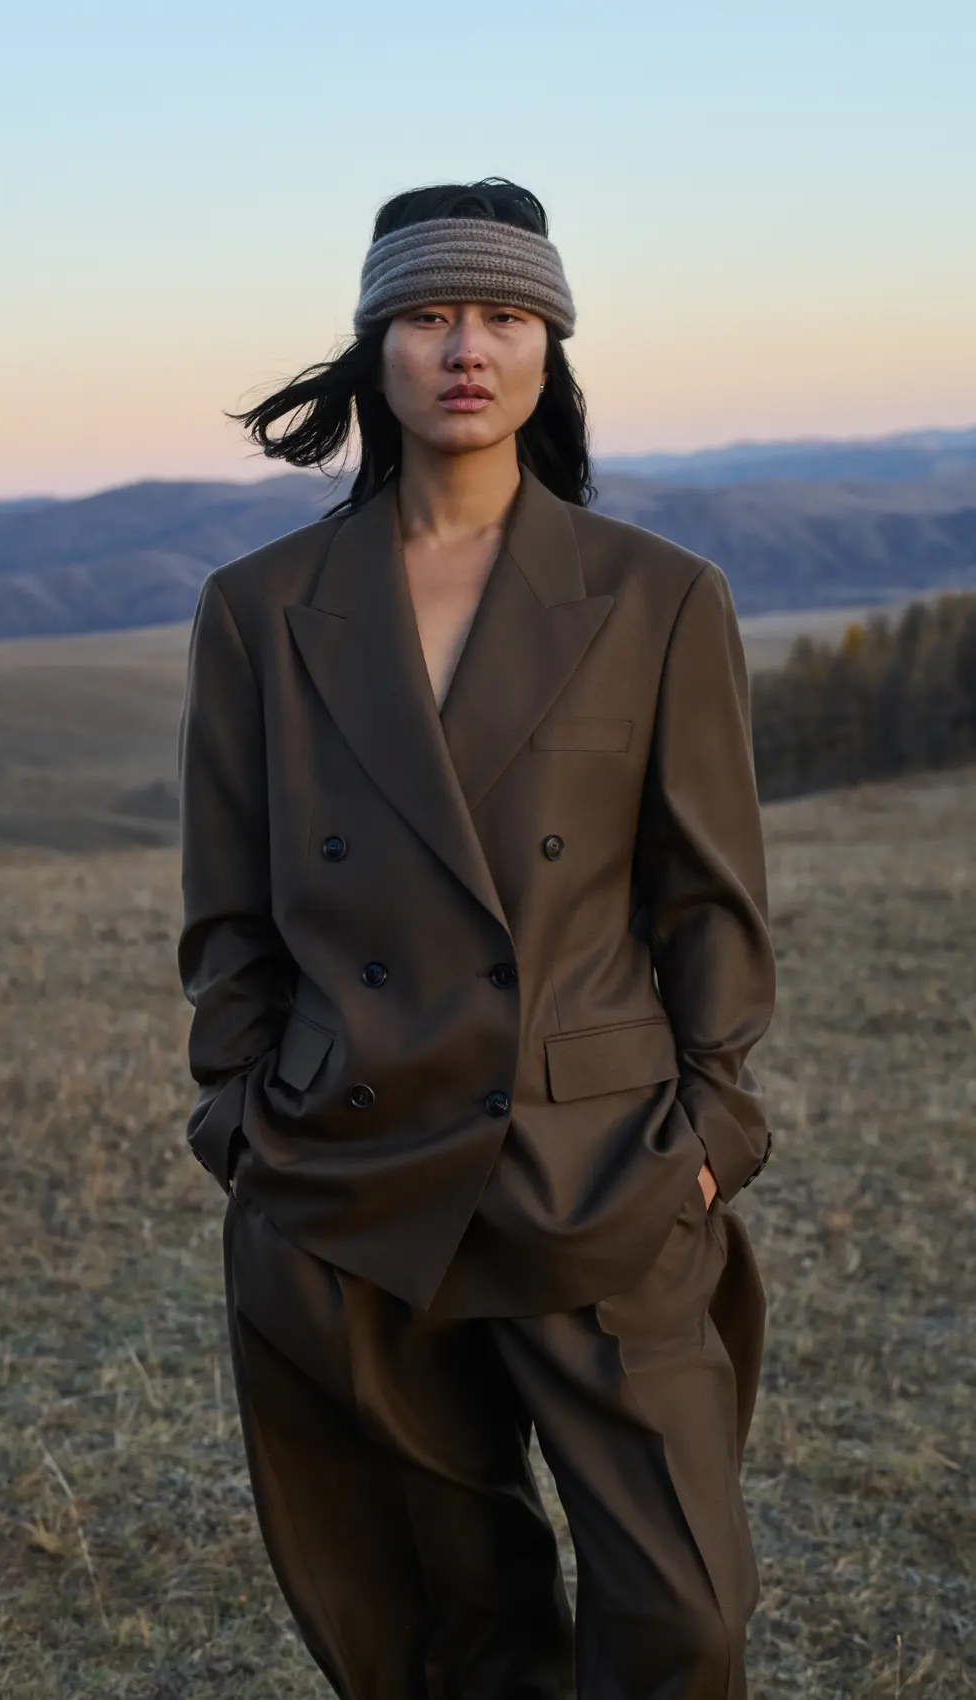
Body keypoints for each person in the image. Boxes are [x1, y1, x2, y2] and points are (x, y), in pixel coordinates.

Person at [176, 177, 776, 1700]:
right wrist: (242, 1118)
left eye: (504, 315)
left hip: (600, 1170)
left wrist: (711, 1130)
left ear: (548, 348)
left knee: (685, 1616)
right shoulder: (260, 608)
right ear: (377, 344)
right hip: (350, 1171)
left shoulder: (656, 598)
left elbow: (706, 899)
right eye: (432, 312)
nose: (467, 346)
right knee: (441, 1640)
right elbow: (229, 913)